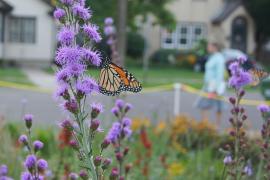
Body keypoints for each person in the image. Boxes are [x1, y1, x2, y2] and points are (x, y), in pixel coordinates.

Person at [196, 40, 226, 127]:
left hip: (214, 87)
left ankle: (216, 126)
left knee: (218, 105)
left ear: (214, 47)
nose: (207, 48)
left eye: (209, 46)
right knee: (204, 105)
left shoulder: (219, 58)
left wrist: (215, 89)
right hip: (209, 85)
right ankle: (206, 125)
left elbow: (219, 74)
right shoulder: (212, 57)